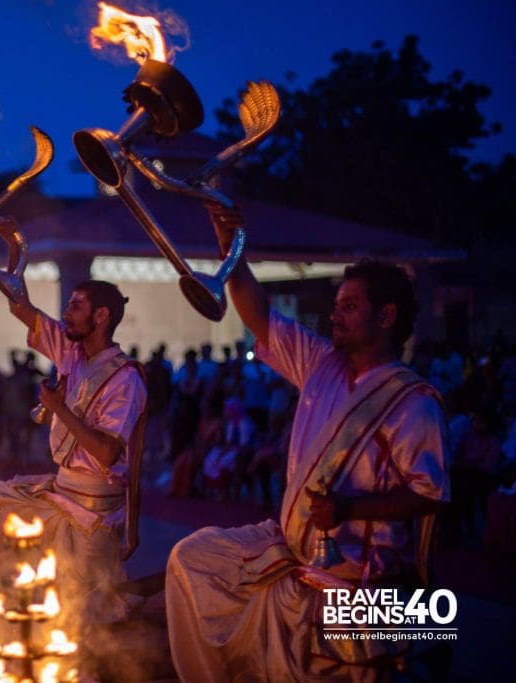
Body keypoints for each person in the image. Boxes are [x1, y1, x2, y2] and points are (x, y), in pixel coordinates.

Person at [166, 204, 450, 681]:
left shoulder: (412, 401)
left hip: (359, 576)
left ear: (386, 316)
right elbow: (258, 315)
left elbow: (429, 494)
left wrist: (350, 509)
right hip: (291, 548)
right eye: (336, 305)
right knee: (193, 559)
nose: (334, 315)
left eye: (349, 306)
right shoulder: (321, 364)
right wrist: (230, 248)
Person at [0, 280, 147, 623]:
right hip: (60, 490)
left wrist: (59, 408)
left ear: (101, 315)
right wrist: (12, 246)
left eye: (75, 306)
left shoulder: (126, 378)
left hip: (91, 511)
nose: (65, 313)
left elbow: (108, 453)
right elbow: (19, 306)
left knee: (76, 618)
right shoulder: (70, 352)